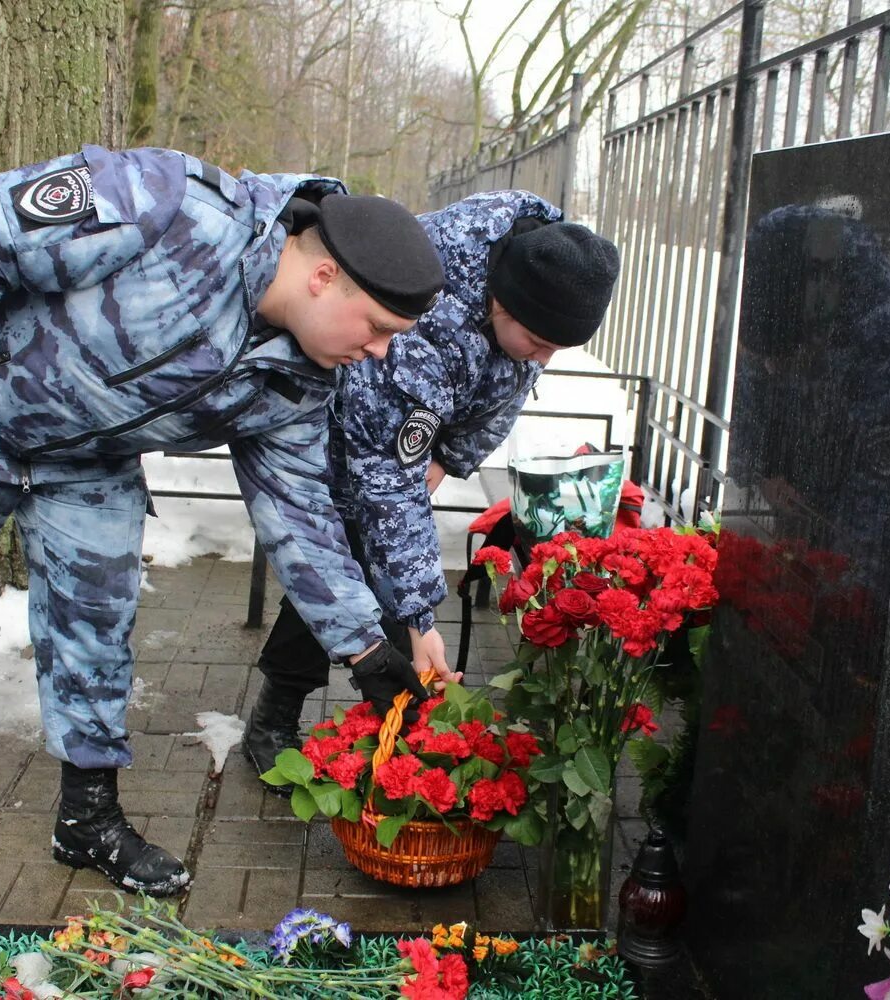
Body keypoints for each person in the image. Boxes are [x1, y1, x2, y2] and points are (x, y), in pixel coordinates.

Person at [0, 144, 446, 931]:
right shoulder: (170, 205)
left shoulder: (301, 380)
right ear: (323, 275)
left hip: (85, 462)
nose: (380, 352)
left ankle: (86, 819)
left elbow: (298, 511)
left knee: (96, 630)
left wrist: (364, 648)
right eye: (378, 328)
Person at [242, 190, 620, 784]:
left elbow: (505, 389)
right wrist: (422, 619)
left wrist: (447, 452)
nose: (544, 361)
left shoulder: (545, 265)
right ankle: (279, 712)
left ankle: (396, 715)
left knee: (378, 553)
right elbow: (388, 484)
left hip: (406, 433)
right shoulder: (431, 308)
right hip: (345, 406)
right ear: (502, 304)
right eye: (541, 344)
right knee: (343, 551)